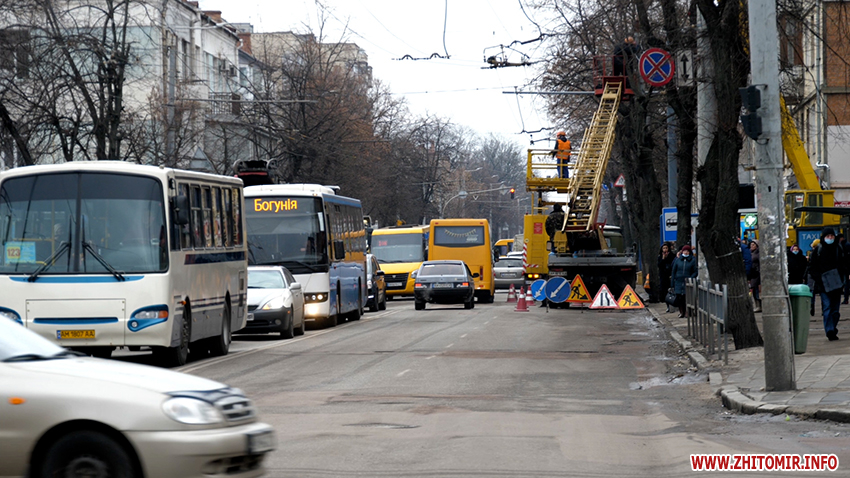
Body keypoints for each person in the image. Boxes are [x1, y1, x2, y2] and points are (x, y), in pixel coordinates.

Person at [808, 227, 845, 341]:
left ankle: (833, 326)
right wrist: (820, 279)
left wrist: (842, 278)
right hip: (823, 285)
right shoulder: (818, 250)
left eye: (832, 236)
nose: (830, 238)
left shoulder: (838, 249)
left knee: (835, 311)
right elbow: (812, 268)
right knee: (827, 308)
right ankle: (829, 330)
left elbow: (843, 265)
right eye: (828, 236)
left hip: (836, 284)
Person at [671, 244, 698, 318]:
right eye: (684, 251)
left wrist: (691, 278)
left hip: (688, 282)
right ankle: (681, 311)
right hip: (678, 282)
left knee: (687, 297)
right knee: (679, 297)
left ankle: (688, 312)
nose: (686, 252)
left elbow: (695, 271)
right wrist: (672, 283)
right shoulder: (678, 260)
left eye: (687, 251)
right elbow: (673, 271)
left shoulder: (692, 260)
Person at [657, 242, 675, 312]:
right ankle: (667, 305)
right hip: (663, 276)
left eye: (666, 248)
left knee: (671, 291)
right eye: (663, 248)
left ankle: (672, 305)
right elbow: (659, 265)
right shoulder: (660, 256)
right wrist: (663, 259)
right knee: (664, 291)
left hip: (669, 275)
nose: (665, 250)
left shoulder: (671, 256)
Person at [749, 240, 762, 312]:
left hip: (756, 273)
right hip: (752, 273)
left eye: (753, 245)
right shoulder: (750, 253)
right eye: (751, 244)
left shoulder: (758, 254)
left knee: (755, 289)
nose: (752, 246)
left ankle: (759, 305)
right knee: (753, 289)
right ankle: (757, 305)